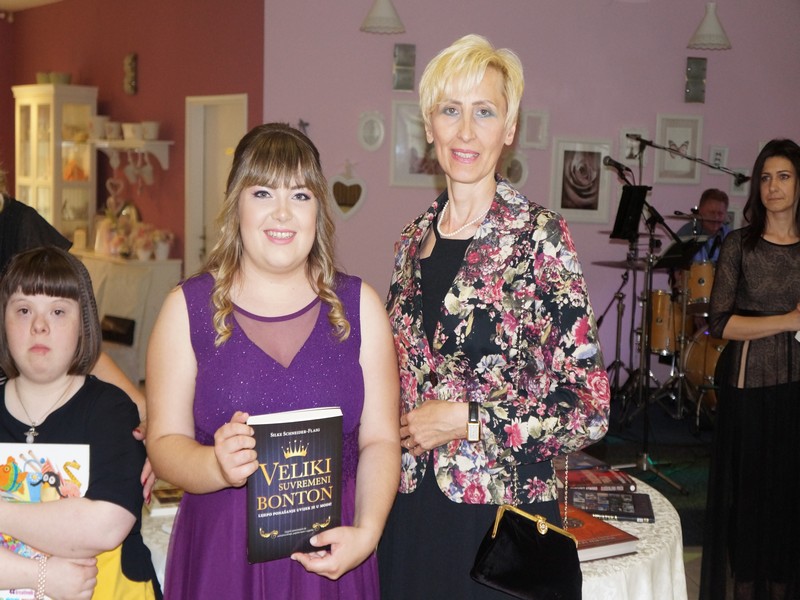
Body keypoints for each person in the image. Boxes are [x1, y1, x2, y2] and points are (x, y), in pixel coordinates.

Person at [379, 35, 610, 599]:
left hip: (502, 526)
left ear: (509, 129)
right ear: (428, 125)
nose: (465, 131)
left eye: (484, 112)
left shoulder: (539, 237)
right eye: (449, 110)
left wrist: (467, 420)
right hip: (410, 517)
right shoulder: (410, 241)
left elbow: (589, 409)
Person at [145, 123, 400, 598]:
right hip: (225, 557)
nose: (283, 212)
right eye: (263, 192)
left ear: (318, 210)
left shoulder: (361, 307)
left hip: (334, 555)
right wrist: (214, 465)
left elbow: (382, 440)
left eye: (300, 195)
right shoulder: (186, 309)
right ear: (235, 205)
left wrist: (367, 532)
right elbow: (163, 443)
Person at [0, 246, 161, 599]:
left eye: (58, 311)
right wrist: (40, 576)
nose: (39, 325)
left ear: (83, 324)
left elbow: (105, 526)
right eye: (24, 310)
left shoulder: (112, 411)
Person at [699, 139, 800, 600]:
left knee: (787, 499)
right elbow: (720, 323)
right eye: (765, 178)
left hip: (795, 386)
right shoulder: (740, 244)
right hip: (748, 387)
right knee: (749, 500)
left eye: (784, 177)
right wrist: (788, 321)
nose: (773, 187)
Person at [676, 188, 731, 264]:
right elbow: (674, 266)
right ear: (700, 211)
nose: (716, 218)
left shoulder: (729, 235)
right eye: (712, 213)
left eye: (720, 213)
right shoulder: (686, 233)